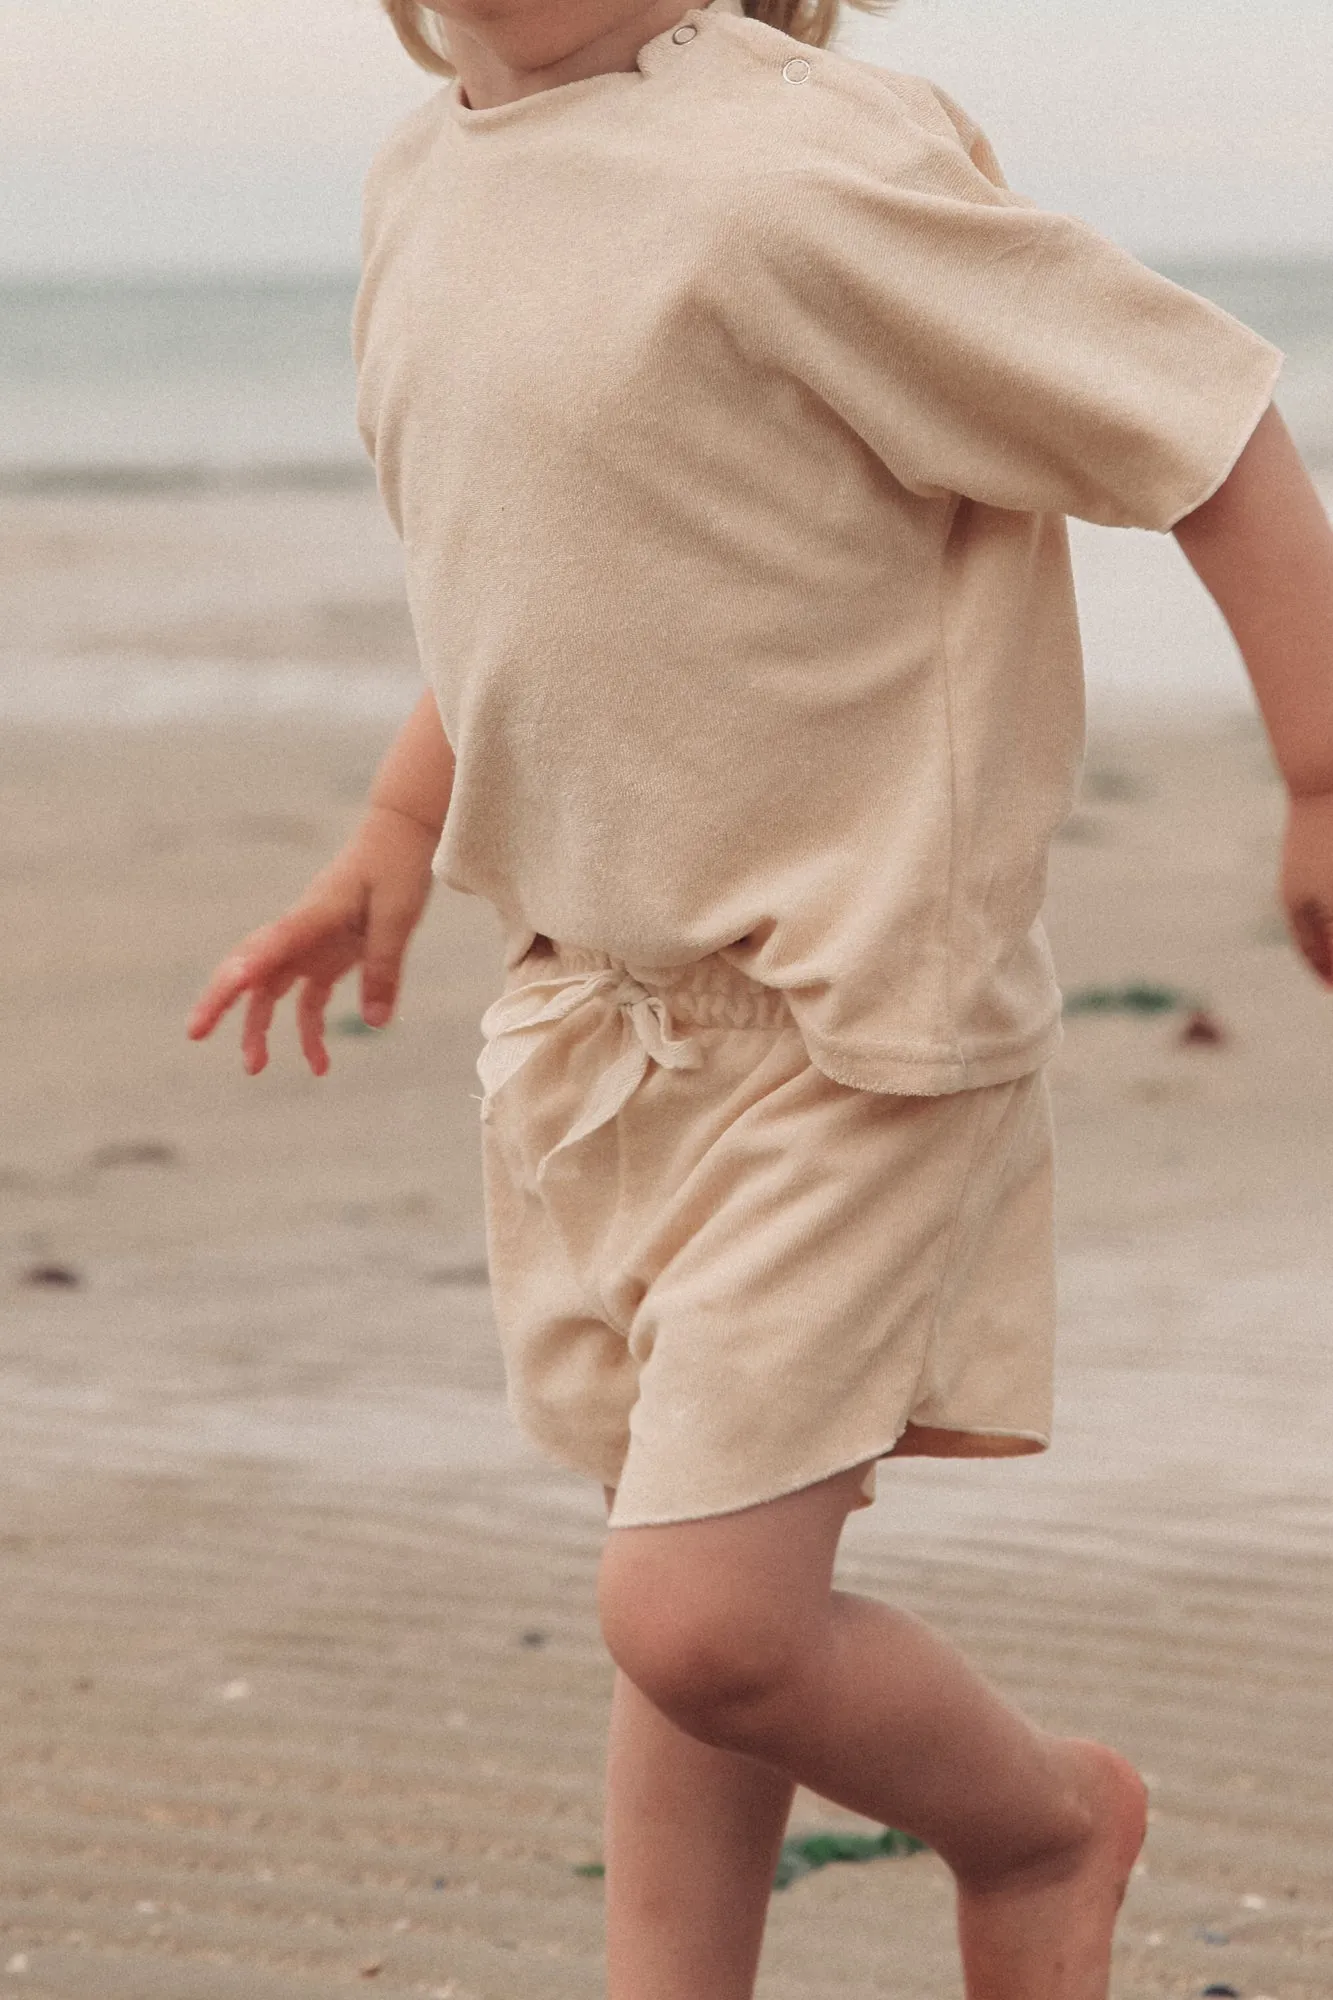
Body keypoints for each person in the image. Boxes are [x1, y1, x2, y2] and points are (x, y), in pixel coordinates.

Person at [187, 0, 1333, 1990]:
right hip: (593, 1028)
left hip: (853, 1023)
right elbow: (549, 565)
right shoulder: (423, 183)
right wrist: (393, 822)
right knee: (695, 1566)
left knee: (699, 1616)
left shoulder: (797, 167)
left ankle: (1042, 1821)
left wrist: (1322, 775)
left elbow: (1205, 416)